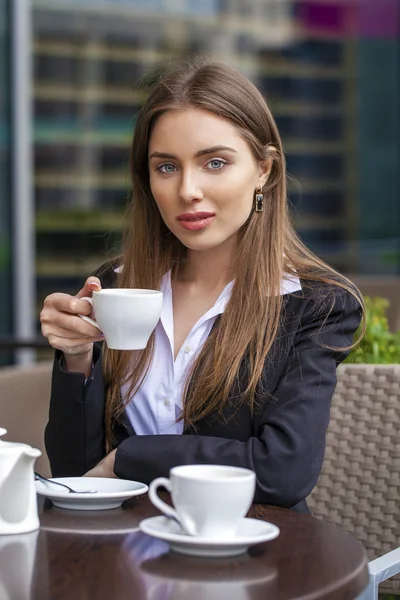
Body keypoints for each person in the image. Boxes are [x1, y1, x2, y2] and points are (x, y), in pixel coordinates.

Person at [40, 60, 363, 513]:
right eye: (166, 167)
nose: (188, 190)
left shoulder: (315, 306)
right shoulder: (120, 285)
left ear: (264, 171)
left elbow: (283, 471)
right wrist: (76, 358)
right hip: (121, 557)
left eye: (215, 162)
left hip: (253, 561)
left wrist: (130, 459)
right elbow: (76, 473)